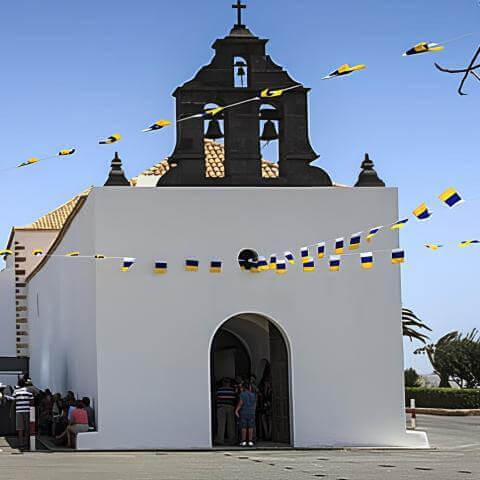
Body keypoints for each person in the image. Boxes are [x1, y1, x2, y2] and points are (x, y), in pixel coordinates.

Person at [4, 379, 34, 448]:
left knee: (20, 428)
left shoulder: (16, 392)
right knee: (27, 428)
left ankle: (21, 443)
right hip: (27, 411)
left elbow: (13, 401)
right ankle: (26, 443)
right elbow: (32, 401)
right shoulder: (29, 391)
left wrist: (5, 396)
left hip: (19, 412)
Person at [215, 378, 237, 445]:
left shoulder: (219, 390)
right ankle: (232, 440)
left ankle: (220, 440)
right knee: (231, 424)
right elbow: (235, 398)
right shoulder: (232, 390)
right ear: (229, 383)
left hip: (221, 408)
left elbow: (216, 398)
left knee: (221, 424)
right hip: (230, 407)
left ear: (223, 383)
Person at [235, 382, 257, 447]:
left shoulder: (242, 394)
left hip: (244, 412)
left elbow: (241, 403)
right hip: (251, 412)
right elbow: (255, 404)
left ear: (243, 388)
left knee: (243, 427)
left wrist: (236, 410)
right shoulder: (253, 395)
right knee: (251, 427)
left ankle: (244, 441)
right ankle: (250, 441)